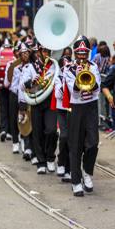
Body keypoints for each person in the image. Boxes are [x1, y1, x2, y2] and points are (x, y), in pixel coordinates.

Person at [63, 35, 101, 197]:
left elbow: (97, 88)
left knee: (93, 143)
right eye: (79, 53)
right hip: (76, 108)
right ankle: (76, 181)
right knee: (75, 145)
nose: (82, 56)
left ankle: (87, 172)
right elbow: (74, 91)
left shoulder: (93, 66)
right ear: (74, 53)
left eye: (84, 52)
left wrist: (87, 73)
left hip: (91, 107)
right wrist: (79, 74)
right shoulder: (68, 68)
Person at [21, 41, 58, 174]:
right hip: (36, 102)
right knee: (37, 132)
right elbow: (21, 86)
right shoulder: (31, 68)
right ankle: (41, 162)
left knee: (51, 130)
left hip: (50, 102)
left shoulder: (54, 66)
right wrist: (31, 82)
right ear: (38, 52)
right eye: (43, 51)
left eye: (48, 51)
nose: (46, 54)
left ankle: (50, 157)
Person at [53, 55, 72, 182]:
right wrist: (65, 79)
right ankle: (61, 162)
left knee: (73, 140)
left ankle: (69, 169)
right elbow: (58, 95)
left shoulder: (73, 74)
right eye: (64, 65)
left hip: (73, 110)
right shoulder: (58, 78)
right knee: (64, 136)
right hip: (62, 110)